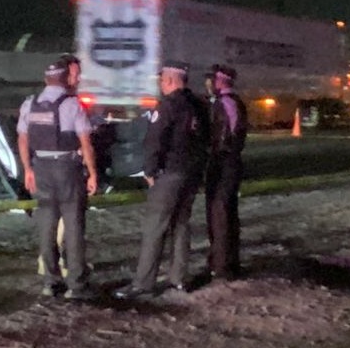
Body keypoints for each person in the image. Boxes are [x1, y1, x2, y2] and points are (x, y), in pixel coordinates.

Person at [115, 61, 210, 298]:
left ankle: (143, 282)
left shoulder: (168, 105)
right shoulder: (199, 104)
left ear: (169, 80)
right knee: (181, 225)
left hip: (169, 173)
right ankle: (179, 278)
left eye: (161, 80)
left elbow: (155, 140)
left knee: (155, 227)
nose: (160, 84)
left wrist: (149, 170)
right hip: (192, 172)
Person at [17, 56, 99, 299]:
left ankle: (51, 281)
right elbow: (86, 142)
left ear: (45, 79)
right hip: (67, 168)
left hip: (40, 167)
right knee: (73, 226)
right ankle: (76, 284)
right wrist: (93, 173)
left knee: (46, 225)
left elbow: (22, 139)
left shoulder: (30, 104)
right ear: (64, 80)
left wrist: (28, 169)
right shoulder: (72, 105)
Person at [204, 64, 248, 281]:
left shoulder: (225, 103)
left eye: (212, 80)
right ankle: (228, 262)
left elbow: (224, 137)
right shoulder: (234, 102)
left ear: (220, 81)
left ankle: (221, 265)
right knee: (228, 213)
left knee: (219, 214)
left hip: (223, 163)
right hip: (230, 163)